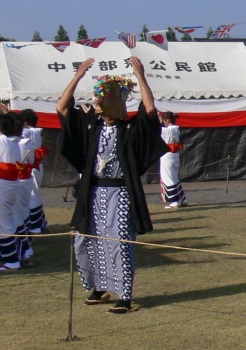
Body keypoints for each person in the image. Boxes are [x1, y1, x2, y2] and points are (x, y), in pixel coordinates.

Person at [57, 56, 167, 313]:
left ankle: (125, 296)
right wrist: (78, 75)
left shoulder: (129, 129)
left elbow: (150, 111)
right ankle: (98, 286)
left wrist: (141, 77)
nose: (99, 107)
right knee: (87, 240)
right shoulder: (91, 126)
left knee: (118, 242)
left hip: (119, 192)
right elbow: (62, 108)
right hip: (92, 192)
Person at [0, 111, 34, 270]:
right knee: (11, 220)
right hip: (11, 185)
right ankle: (21, 252)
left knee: (4, 225)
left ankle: (11, 260)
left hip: (4, 186)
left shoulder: (4, 141)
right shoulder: (12, 142)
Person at [20, 110, 49, 238]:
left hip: (31, 167)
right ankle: (41, 223)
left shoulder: (28, 132)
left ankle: (36, 226)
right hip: (35, 166)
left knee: (32, 197)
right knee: (34, 195)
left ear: (25, 122)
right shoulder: (36, 131)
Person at [158, 111, 187, 209]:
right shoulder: (176, 129)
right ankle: (182, 198)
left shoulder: (167, 131)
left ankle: (174, 201)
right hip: (175, 155)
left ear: (167, 120)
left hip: (167, 155)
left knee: (168, 178)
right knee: (174, 177)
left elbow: (158, 130)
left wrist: (158, 120)